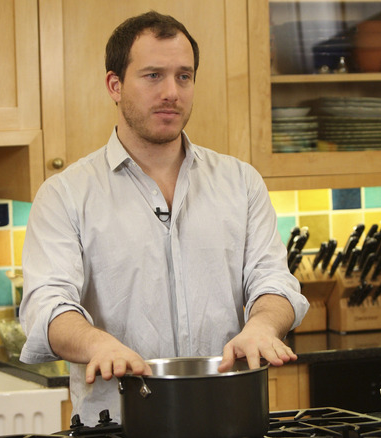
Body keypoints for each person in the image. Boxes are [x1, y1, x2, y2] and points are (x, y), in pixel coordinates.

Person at [18, 11, 309, 426]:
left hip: (230, 420)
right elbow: (47, 304)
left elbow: (273, 281)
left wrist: (263, 325)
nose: (171, 92)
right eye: (153, 76)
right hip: (118, 424)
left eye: (183, 76)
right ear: (114, 85)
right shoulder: (64, 195)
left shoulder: (241, 182)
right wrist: (96, 344)